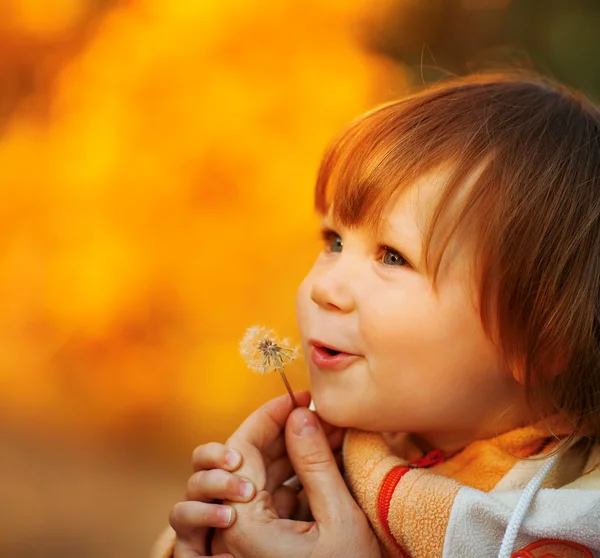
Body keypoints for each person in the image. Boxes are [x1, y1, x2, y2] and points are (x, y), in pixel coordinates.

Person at [152, 72, 600, 558]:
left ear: (541, 337)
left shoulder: (564, 525)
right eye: (334, 242)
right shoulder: (316, 475)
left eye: (392, 256)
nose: (322, 286)